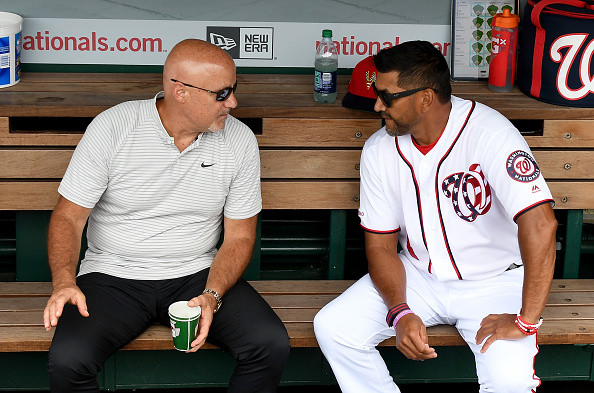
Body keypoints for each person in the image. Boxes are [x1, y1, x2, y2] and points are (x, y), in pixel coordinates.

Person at [43, 39, 290, 393]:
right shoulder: (115, 127)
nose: (233, 102)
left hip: (196, 274)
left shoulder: (239, 140)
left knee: (270, 344)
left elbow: (240, 236)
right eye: (222, 94)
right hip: (113, 276)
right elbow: (69, 217)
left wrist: (213, 294)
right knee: (68, 361)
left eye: (234, 90)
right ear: (180, 92)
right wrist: (65, 282)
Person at [314, 40, 557, 393]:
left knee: (509, 382)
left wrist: (526, 321)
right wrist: (400, 311)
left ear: (426, 97)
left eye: (387, 96)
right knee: (334, 327)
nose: (378, 105)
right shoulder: (380, 149)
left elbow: (541, 224)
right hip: (419, 276)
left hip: (496, 281)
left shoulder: (490, 133)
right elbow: (381, 247)